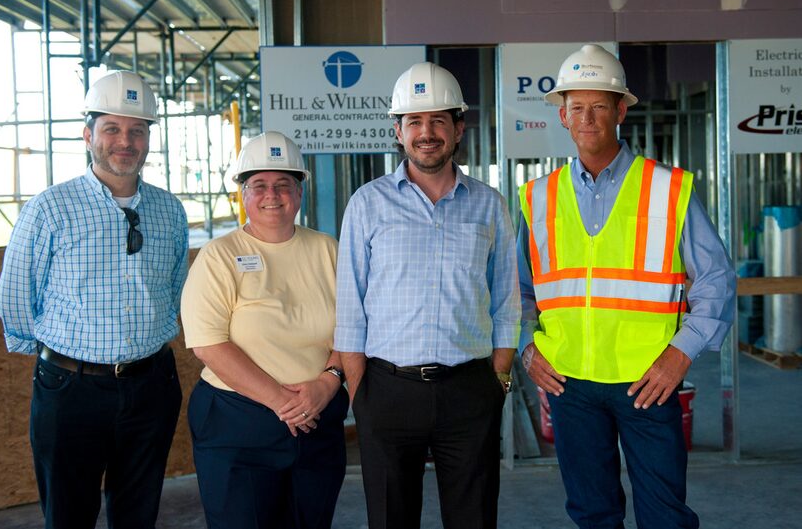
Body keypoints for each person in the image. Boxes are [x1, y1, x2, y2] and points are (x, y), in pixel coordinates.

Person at [518, 44, 737, 529]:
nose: (587, 118)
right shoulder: (537, 198)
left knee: (664, 516)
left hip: (648, 383)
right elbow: (518, 291)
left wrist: (680, 354)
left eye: (599, 106)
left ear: (620, 110)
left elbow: (717, 281)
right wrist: (526, 348)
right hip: (569, 382)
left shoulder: (667, 188)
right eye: (576, 107)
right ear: (562, 116)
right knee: (592, 514)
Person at [0, 70, 189, 529]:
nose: (126, 140)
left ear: (148, 139)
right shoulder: (49, 209)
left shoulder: (169, 210)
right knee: (68, 515)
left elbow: (175, 288)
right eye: (112, 129)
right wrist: (53, 363)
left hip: (151, 386)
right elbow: (15, 297)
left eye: (137, 130)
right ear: (89, 136)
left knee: (137, 513)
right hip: (70, 390)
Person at [335, 61, 521, 529]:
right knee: (390, 519)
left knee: (473, 518)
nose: (427, 132)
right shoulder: (367, 203)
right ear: (398, 131)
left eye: (439, 120)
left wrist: (498, 375)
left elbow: (506, 296)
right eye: (415, 121)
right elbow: (350, 303)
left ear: (459, 129)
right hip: (387, 389)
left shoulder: (489, 204)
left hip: (469, 389)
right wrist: (361, 392)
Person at [181, 131, 348, 529]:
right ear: (243, 193)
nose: (272, 195)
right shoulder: (218, 256)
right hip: (238, 427)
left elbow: (355, 328)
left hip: (317, 421)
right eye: (259, 185)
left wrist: (329, 381)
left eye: (283, 184)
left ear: (300, 190)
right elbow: (208, 345)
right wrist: (281, 402)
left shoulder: (328, 249)